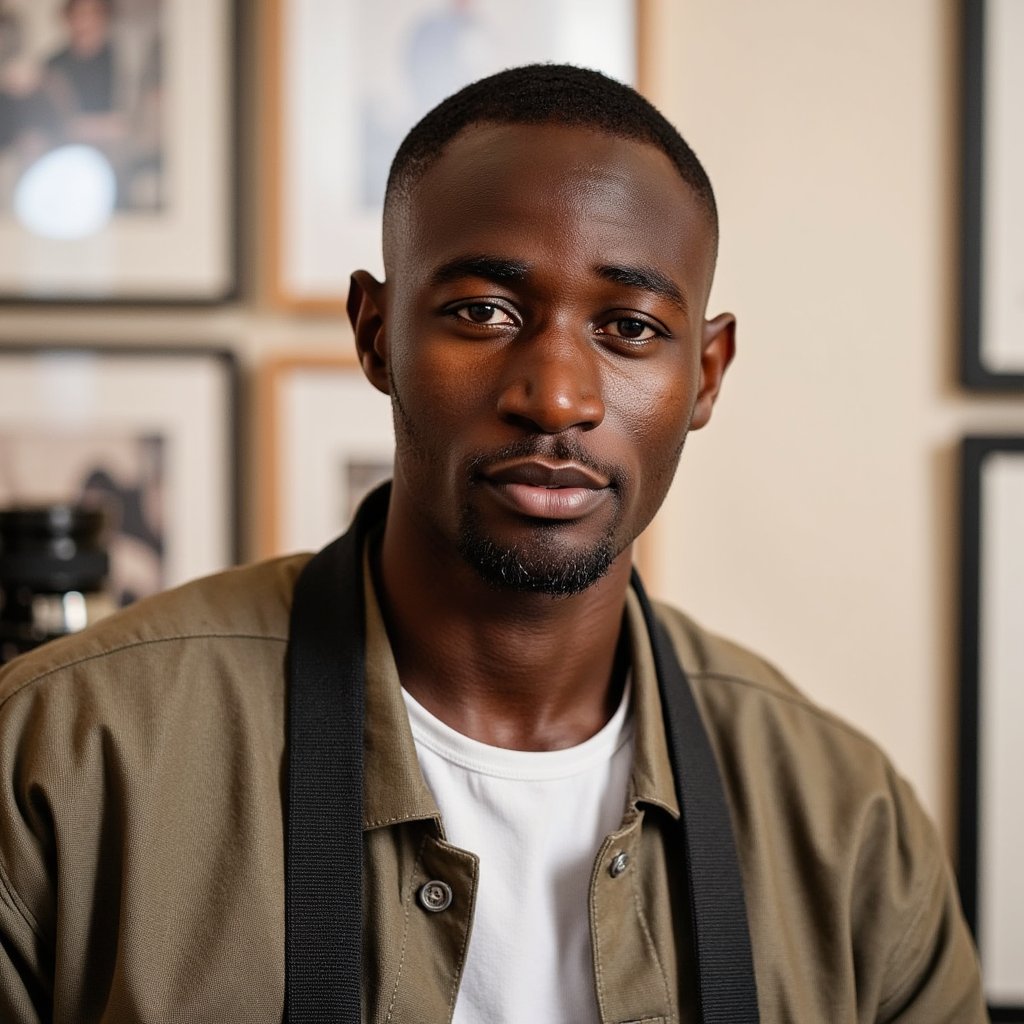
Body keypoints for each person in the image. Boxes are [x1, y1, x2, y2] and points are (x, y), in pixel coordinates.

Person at [0, 64, 986, 1023]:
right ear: (376, 333)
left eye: (630, 327)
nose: (556, 396)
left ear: (708, 372)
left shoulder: (850, 826)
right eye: (483, 311)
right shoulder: (66, 757)